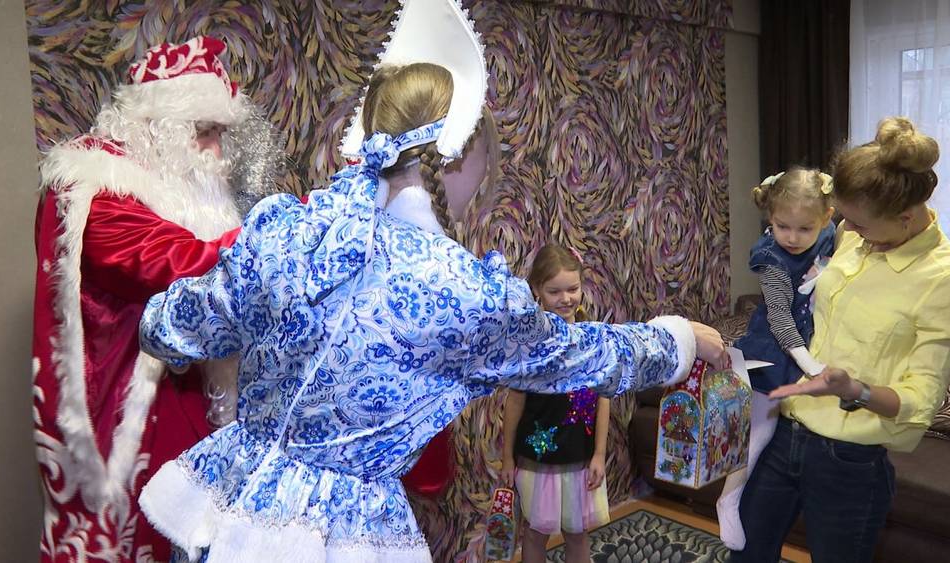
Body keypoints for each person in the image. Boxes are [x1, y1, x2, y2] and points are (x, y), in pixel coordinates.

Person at [134, 2, 728, 561]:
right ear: (458, 156)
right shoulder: (460, 294)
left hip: (221, 509)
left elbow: (166, 327)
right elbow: (584, 356)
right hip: (333, 539)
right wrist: (680, 338)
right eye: (487, 155)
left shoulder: (288, 231)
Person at [31, 36, 259, 561]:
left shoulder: (175, 188)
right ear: (160, 126)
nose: (217, 153)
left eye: (220, 134)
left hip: (188, 404)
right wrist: (287, 234)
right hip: (132, 419)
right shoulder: (95, 192)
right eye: (205, 133)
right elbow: (179, 262)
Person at [731, 117, 950, 563]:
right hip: (784, 429)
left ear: (905, 218)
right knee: (746, 552)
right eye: (845, 219)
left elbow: (920, 402)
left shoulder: (944, 279)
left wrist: (855, 389)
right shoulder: (854, 237)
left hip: (848, 458)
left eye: (859, 224)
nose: (847, 231)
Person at [715, 168, 835, 550]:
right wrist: (808, 363)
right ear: (770, 218)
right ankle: (728, 498)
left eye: (804, 229)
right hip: (773, 350)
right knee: (760, 432)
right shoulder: (771, 259)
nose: (792, 238)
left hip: (812, 343)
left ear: (826, 218)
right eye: (783, 227)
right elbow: (781, 318)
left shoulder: (833, 233)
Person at [500, 244, 611, 563]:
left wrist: (599, 454)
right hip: (537, 460)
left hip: (581, 457)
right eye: (555, 291)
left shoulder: (591, 338)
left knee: (578, 533)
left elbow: (604, 398)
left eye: (573, 289)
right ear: (537, 290)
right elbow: (514, 403)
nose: (566, 298)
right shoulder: (529, 344)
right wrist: (507, 458)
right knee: (535, 533)